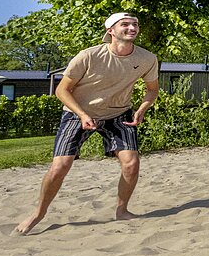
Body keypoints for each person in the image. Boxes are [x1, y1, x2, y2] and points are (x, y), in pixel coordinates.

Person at [15, 13, 160, 234]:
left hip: (118, 113)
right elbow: (61, 90)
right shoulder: (89, 56)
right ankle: (38, 213)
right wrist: (82, 114)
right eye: (125, 24)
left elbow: (152, 89)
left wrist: (141, 109)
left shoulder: (147, 58)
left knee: (131, 163)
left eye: (135, 24)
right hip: (79, 112)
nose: (132, 28)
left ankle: (122, 211)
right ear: (111, 30)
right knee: (60, 167)